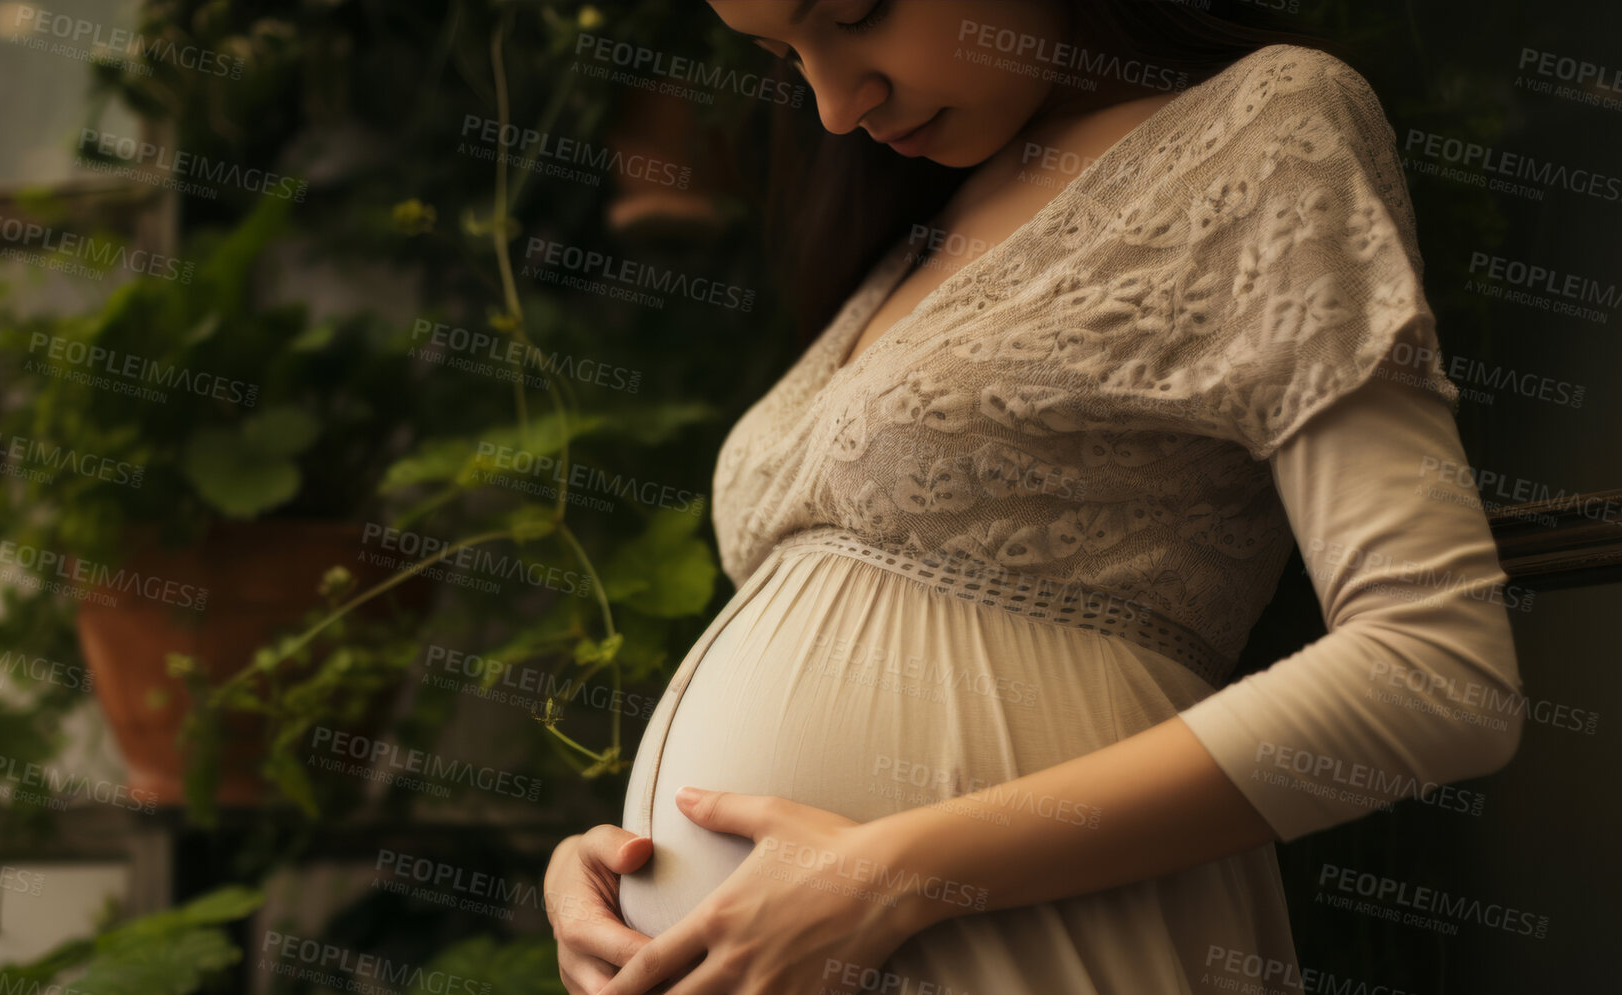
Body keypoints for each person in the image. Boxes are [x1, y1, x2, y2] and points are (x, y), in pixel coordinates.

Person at [544, 2, 1526, 993]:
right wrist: (630, 859)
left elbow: (1433, 673)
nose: (836, 106)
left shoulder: (1261, 125)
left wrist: (893, 875)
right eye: (782, 56)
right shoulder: (920, 223)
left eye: (852, 13)